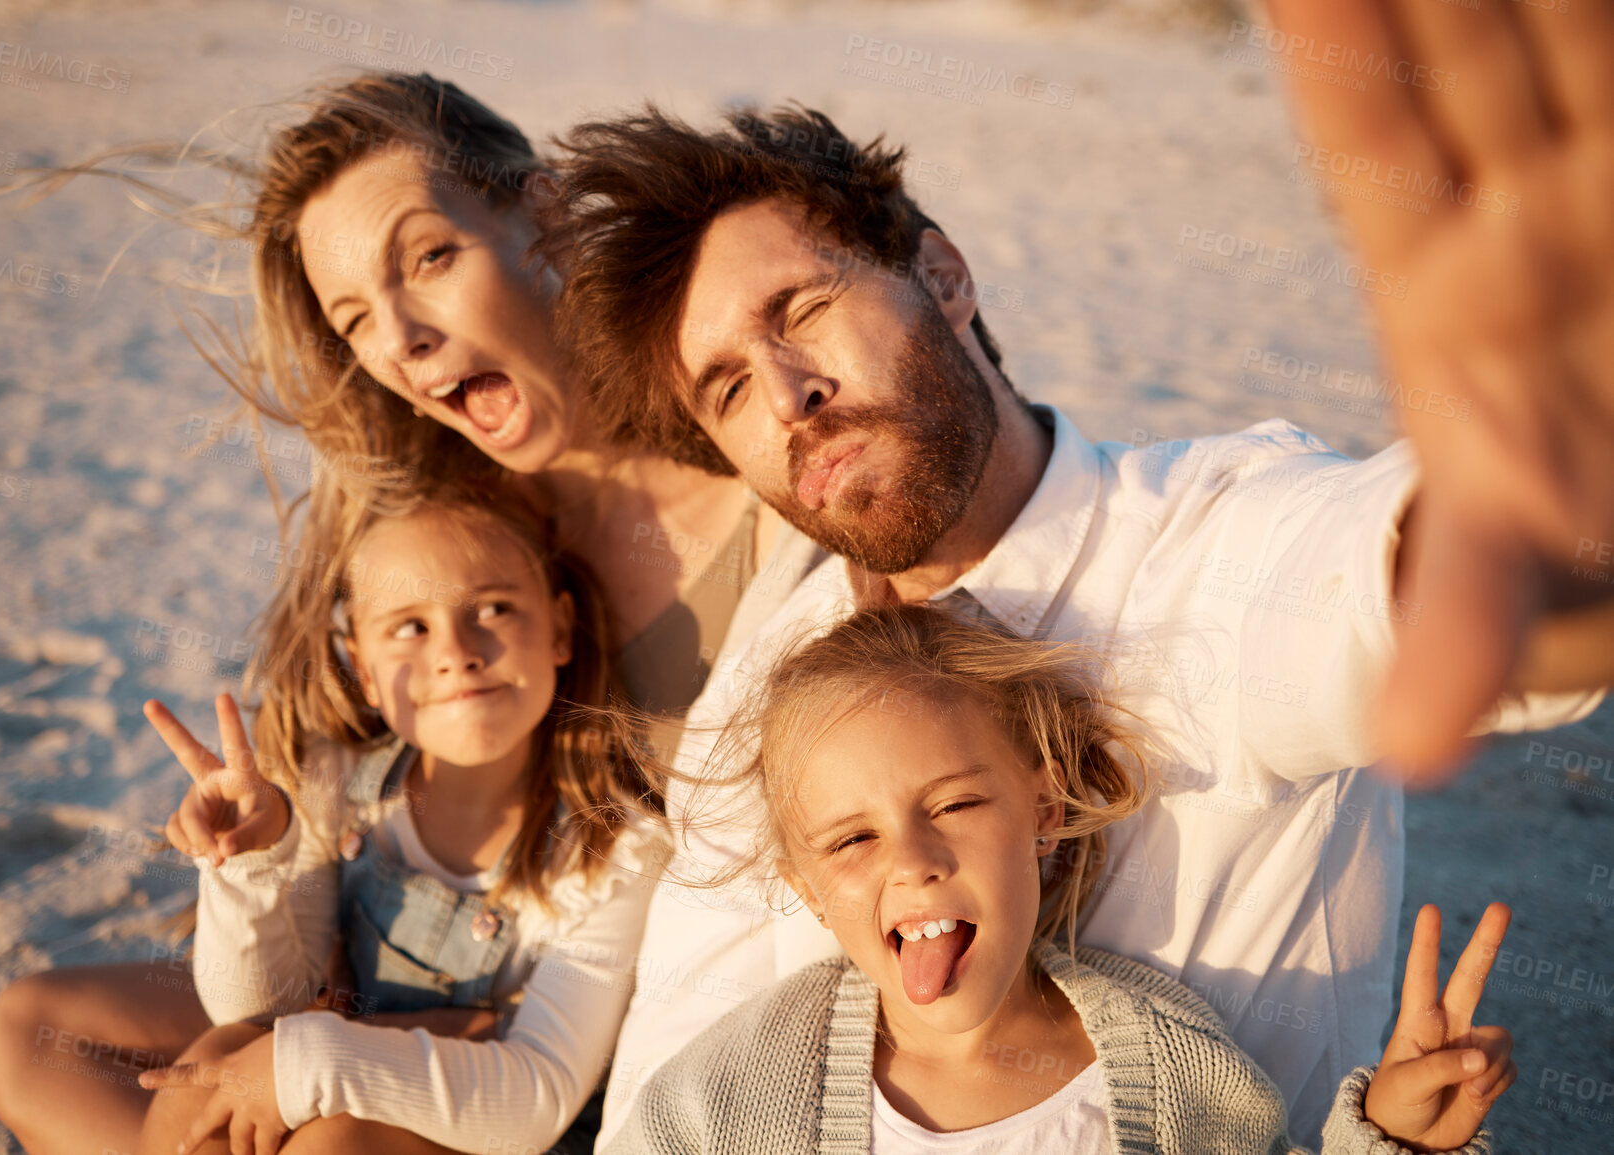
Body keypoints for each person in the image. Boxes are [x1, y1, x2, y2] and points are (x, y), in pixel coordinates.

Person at [544, 96, 1607, 1145]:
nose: (784, 398)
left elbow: (1467, 582)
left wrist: (1553, 447)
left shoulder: (1213, 555)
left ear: (944, 275)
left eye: (803, 311)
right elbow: (673, 1054)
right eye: (725, 389)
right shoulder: (782, 655)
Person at [0, 72, 816, 1155]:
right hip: (370, 981)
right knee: (32, 1033)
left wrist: (360, 1061)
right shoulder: (440, 519)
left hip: (566, 1040)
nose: (403, 341)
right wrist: (295, 959)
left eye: (428, 258)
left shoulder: (768, 519)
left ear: (545, 214)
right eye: (355, 317)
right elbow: (313, 869)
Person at [607, 605, 1517, 1155]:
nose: (911, 857)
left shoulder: (1168, 1062)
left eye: (955, 804)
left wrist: (1395, 1138)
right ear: (807, 889)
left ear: (1043, 809)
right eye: (850, 839)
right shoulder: (740, 1087)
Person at [132, 467, 665, 1154]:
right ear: (364, 668)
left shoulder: (611, 849)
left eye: (494, 608)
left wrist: (312, 1059)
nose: (455, 654)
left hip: (502, 1130)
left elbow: (537, 1098)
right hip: (360, 1064)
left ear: (559, 628)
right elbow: (257, 1004)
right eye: (410, 626)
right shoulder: (346, 784)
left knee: (334, 1136)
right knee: (210, 1067)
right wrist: (250, 862)